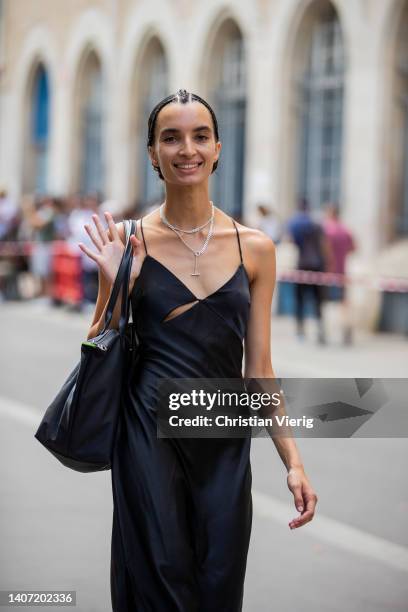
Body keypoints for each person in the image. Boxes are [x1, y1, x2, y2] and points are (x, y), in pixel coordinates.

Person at [79, 89, 318, 611]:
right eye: (171, 137)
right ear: (152, 154)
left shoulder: (254, 247)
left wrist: (293, 461)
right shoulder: (129, 239)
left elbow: (260, 367)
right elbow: (100, 342)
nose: (186, 148)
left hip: (224, 436)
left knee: (218, 583)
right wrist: (117, 282)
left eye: (199, 136)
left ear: (216, 148)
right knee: (159, 582)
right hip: (146, 433)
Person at [287, 198, 330, 344]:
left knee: (300, 300)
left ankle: (300, 331)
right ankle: (320, 331)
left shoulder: (294, 223)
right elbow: (324, 246)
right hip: (317, 266)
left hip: (302, 266)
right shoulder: (316, 224)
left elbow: (290, 241)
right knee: (318, 301)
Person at [323, 203, 356, 345]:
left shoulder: (327, 230)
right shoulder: (345, 230)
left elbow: (325, 251)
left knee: (326, 305)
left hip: (328, 273)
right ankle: (347, 331)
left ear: (330, 213)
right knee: (343, 304)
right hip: (342, 272)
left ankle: (325, 333)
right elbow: (354, 247)